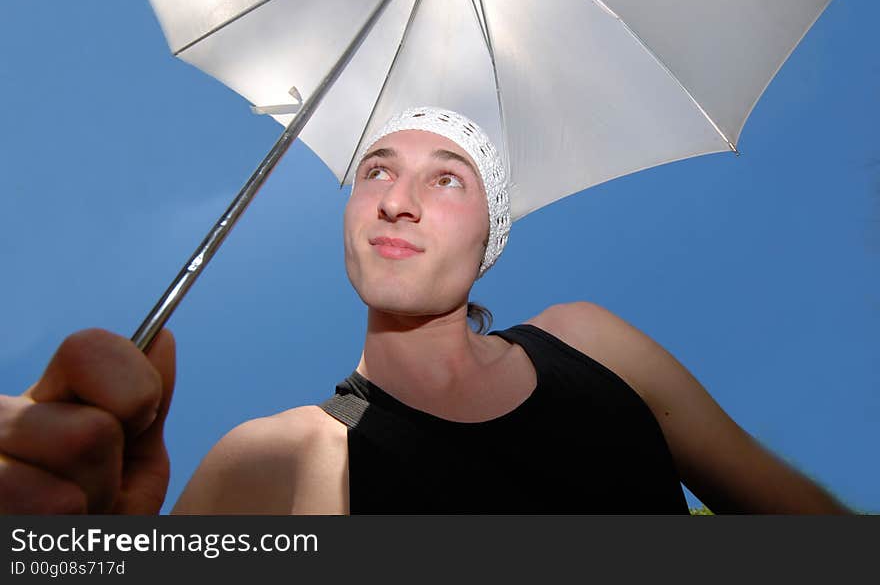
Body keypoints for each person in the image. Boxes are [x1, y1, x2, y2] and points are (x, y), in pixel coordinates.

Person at [0, 107, 851, 515]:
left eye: (446, 177)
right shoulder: (271, 458)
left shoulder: (593, 345)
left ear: (490, 236)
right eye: (375, 169)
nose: (396, 200)